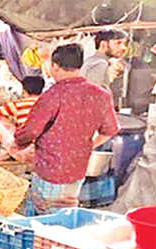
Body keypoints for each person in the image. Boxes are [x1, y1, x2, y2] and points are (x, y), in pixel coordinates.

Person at [15, 44, 120, 216]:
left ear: (55, 66)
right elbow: (110, 130)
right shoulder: (101, 94)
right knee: (67, 213)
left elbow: (31, 132)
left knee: (45, 218)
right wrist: (89, 145)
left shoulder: (53, 94)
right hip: (78, 168)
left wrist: (17, 141)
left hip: (49, 168)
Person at [0, 76, 45, 161]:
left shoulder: (19, 104)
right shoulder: (49, 103)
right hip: (45, 152)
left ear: (24, 90)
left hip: (25, 151)